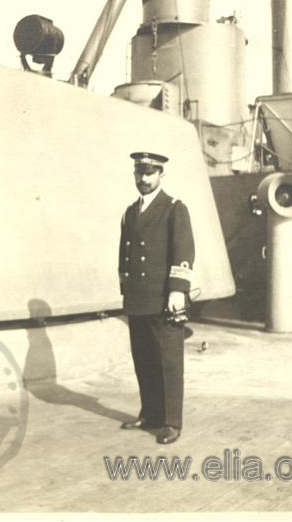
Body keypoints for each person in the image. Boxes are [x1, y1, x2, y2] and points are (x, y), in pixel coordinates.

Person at [118, 151, 195, 445]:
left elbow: (183, 250)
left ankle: (171, 422)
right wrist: (125, 286)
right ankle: (149, 414)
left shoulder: (174, 208)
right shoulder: (130, 211)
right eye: (140, 173)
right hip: (139, 298)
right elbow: (125, 253)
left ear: (162, 174)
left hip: (164, 297)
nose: (144, 179)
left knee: (169, 361)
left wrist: (178, 290)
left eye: (150, 173)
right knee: (144, 359)